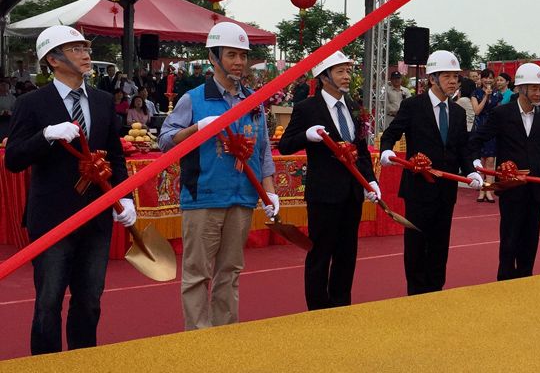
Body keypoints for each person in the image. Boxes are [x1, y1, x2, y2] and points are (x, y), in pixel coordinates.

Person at [4, 25, 135, 355]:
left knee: (90, 301)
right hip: (52, 218)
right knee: (48, 304)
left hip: (97, 218)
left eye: (85, 47)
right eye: (75, 49)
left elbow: (115, 156)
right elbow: (14, 159)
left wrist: (124, 195)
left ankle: (83, 361)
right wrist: (45, 135)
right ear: (53, 59)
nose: (85, 54)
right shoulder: (32, 103)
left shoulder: (104, 101)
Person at [159, 22, 279, 330]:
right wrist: (197, 129)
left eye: (243, 55)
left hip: (243, 198)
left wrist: (270, 192)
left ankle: (225, 337)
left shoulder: (255, 102)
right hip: (204, 198)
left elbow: (263, 151)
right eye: (231, 55)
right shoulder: (193, 99)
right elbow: (165, 140)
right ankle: (199, 340)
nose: (239, 62)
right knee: (197, 273)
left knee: (230, 272)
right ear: (214, 58)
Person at [279, 51, 379, 310]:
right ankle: (317, 308)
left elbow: (363, 150)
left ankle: (341, 304)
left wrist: (371, 181)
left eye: (348, 71)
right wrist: (307, 136)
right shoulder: (307, 108)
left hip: (352, 193)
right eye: (340, 72)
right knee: (320, 254)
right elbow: (285, 145)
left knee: (347, 255)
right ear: (324, 77)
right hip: (323, 195)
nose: (347, 77)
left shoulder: (356, 109)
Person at [379, 50, 482, 295]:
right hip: (418, 189)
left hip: (446, 191)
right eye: (446, 76)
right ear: (432, 78)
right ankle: (415, 292)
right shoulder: (413, 105)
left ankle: (436, 290)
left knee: (440, 244)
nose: (453, 82)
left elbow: (462, 148)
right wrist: (386, 151)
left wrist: (472, 171)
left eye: (455, 77)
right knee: (416, 245)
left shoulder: (457, 111)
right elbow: (392, 133)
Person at [469, 63, 540, 280]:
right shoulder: (502, 114)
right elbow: (476, 139)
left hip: (536, 190)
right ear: (520, 88)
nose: (538, 93)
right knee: (509, 239)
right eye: (533, 89)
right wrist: (474, 167)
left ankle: (526, 279)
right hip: (511, 189)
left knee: (531, 239)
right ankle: (505, 282)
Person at [471, 68, 501, 202]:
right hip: (479, 127)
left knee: (490, 160)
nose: (488, 80)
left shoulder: (497, 94)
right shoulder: (475, 93)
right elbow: (477, 111)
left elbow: (499, 112)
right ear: (481, 79)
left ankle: (489, 190)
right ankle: (482, 190)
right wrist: (485, 97)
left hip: (492, 127)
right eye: (485, 78)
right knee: (481, 160)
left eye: (490, 78)